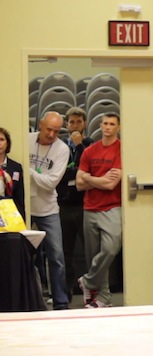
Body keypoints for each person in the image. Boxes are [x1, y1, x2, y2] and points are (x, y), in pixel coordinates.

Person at [75, 112, 122, 308]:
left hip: (112, 206)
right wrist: (98, 180)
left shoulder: (122, 150)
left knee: (110, 249)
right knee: (93, 255)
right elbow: (78, 184)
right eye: (105, 123)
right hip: (90, 208)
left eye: (112, 124)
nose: (108, 127)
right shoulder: (89, 151)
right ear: (100, 125)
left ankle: (87, 281)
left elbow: (112, 185)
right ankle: (103, 299)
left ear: (118, 127)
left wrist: (89, 178)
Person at [29, 112, 71, 310]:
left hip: (48, 208)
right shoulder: (27, 140)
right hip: (25, 206)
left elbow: (51, 182)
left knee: (57, 256)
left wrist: (28, 172)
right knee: (24, 255)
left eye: (56, 131)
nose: (52, 134)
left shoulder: (62, 149)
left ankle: (61, 302)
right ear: (40, 125)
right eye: (49, 129)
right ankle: (31, 300)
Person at [56, 107, 94, 301]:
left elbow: (92, 168)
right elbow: (61, 173)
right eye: (71, 122)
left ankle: (92, 290)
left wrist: (79, 147)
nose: (74, 126)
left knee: (89, 249)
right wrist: (77, 172)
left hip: (83, 205)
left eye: (78, 122)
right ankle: (66, 292)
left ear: (84, 124)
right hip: (64, 205)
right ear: (66, 124)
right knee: (65, 251)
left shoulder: (89, 145)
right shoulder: (61, 146)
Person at [0, 128, 25, 221]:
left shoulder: (16, 167)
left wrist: (22, 220)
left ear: (7, 143)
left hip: (11, 215)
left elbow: (20, 196)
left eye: (2, 140)